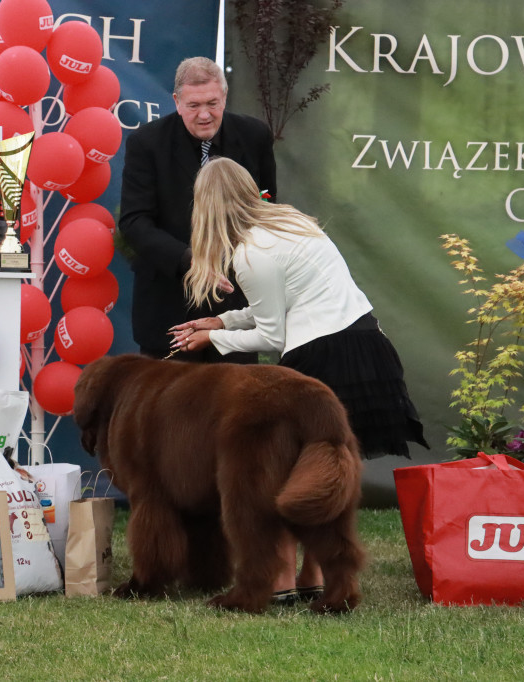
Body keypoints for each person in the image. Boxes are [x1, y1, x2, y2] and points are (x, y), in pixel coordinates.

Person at [169, 157, 429, 603]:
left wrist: (213, 341)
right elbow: (284, 299)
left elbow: (273, 333)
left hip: (322, 357)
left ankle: (282, 580)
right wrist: (223, 321)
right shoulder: (293, 223)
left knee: (283, 470)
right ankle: (313, 577)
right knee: (330, 471)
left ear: (206, 208)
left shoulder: (250, 253)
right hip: (366, 345)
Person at [119, 56, 277, 361]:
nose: (205, 115)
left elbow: (266, 206)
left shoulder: (255, 136)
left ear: (225, 96)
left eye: (212, 103)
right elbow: (135, 222)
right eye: (194, 106)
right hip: (168, 309)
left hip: (235, 309)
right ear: (177, 102)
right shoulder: (146, 144)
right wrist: (192, 262)